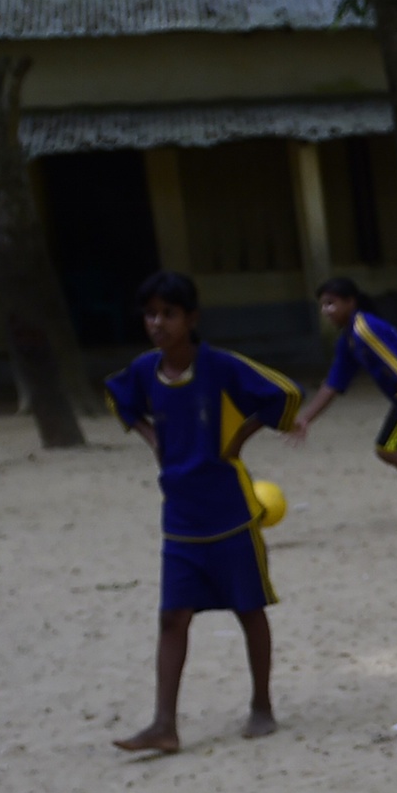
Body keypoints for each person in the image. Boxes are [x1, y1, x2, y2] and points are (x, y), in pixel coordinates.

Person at [103, 271, 303, 755]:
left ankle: (261, 705)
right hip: (180, 518)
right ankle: (164, 724)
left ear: (190, 319)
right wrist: (154, 440)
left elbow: (285, 394)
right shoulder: (144, 371)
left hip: (230, 513)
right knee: (172, 617)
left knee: (248, 609)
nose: (158, 323)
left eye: (168, 314)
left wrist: (240, 436)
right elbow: (118, 398)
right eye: (150, 314)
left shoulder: (220, 366)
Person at [288, 278, 397, 526]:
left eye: (331, 303)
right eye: (322, 305)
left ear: (351, 302)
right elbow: (333, 384)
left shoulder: (364, 329)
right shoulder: (348, 339)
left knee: (388, 449)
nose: (326, 311)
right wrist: (306, 418)